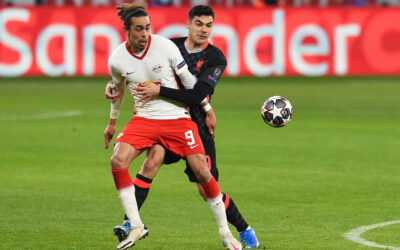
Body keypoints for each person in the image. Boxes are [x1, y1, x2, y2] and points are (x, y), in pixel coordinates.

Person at [106, 5, 260, 249]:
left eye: (209, 25)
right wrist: (114, 86)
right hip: (163, 119)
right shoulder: (168, 45)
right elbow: (134, 67)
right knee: (151, 160)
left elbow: (198, 92)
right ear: (188, 24)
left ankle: (243, 229)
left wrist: (162, 92)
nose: (204, 30)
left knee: (205, 185)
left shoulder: (215, 58)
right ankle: (131, 223)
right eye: (199, 23)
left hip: (197, 124)